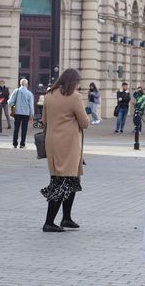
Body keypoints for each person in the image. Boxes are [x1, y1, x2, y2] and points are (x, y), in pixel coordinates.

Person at [40, 69, 90, 232]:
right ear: (73, 82)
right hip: (68, 144)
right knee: (62, 182)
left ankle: (66, 218)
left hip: (52, 143)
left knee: (70, 179)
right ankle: (49, 222)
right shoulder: (75, 97)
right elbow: (84, 123)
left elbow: (44, 121)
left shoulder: (49, 95)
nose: (79, 85)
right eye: (78, 82)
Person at [8, 78, 34, 149]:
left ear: (20, 84)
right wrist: (32, 115)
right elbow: (31, 105)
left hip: (17, 112)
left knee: (16, 128)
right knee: (24, 129)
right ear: (27, 84)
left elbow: (10, 102)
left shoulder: (16, 91)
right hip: (26, 113)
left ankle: (14, 143)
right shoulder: (29, 93)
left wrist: (13, 106)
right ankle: (22, 144)